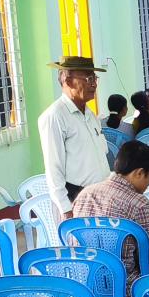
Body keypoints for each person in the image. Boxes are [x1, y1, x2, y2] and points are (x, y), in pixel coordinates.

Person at [69, 140, 149, 288]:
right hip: (125, 284)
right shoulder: (140, 204)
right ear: (139, 172)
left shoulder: (85, 193)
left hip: (85, 282)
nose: (148, 184)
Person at [38, 55, 109, 216]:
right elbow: (53, 169)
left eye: (95, 78)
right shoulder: (55, 116)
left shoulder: (90, 115)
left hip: (99, 200)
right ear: (68, 81)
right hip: (74, 201)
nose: (93, 84)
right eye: (88, 78)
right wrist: (66, 210)